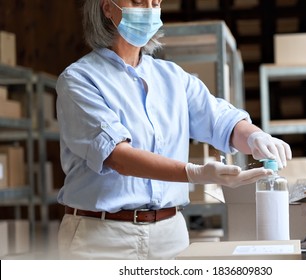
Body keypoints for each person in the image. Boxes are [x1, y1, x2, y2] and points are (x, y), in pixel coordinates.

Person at [55, 0, 292, 260]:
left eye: (155, 2)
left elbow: (221, 120)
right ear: (107, 8)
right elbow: (117, 156)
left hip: (170, 234)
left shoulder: (172, 77)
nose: (149, 9)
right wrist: (194, 173)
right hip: (102, 237)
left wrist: (255, 136)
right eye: (137, 1)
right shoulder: (79, 79)